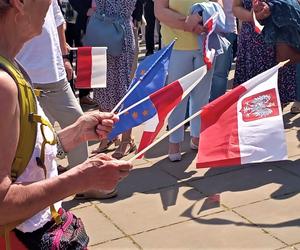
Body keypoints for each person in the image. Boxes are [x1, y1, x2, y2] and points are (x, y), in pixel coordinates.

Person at [0, 0, 132, 248]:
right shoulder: (3, 85)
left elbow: (25, 161)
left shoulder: (12, 65)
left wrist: (74, 134)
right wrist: (80, 179)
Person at [16, 0, 89, 169]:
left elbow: (57, 20)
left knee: (76, 119)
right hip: (25, 76)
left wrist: (64, 58)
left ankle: (82, 178)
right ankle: (48, 171)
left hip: (55, 75)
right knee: (34, 134)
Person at [155, 0, 223, 162]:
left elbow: (218, 4)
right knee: (177, 96)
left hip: (205, 45)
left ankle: (197, 136)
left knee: (202, 95)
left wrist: (205, 17)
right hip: (176, 45)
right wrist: (187, 23)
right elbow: (160, 11)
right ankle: (175, 141)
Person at [90, 0, 137, 160]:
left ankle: (126, 139)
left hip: (121, 32)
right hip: (99, 30)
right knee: (101, 87)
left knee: (122, 86)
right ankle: (108, 136)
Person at [232, 0, 296, 108]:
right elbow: (236, 8)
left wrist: (273, 8)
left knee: (277, 100)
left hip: (280, 39)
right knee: (253, 100)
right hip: (253, 42)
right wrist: (252, 17)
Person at [60, 0, 96, 107]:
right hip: (64, 18)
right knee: (66, 57)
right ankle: (69, 95)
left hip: (83, 19)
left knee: (85, 57)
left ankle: (84, 94)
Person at [210, 0, 237, 101]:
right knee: (217, 74)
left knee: (219, 74)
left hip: (225, 30)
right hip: (201, 29)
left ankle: (215, 108)